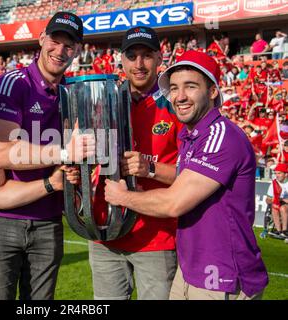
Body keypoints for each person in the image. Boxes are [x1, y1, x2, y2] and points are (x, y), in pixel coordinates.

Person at [104, 50, 269, 300]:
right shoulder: (192, 136)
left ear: (213, 91)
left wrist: (122, 197)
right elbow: (181, 182)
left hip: (221, 274)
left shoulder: (221, 135)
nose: (179, 96)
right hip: (192, 269)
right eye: (174, 88)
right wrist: (147, 170)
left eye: (190, 87)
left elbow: (174, 203)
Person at [0, 11, 92, 300]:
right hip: (2, 220)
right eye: (55, 40)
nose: (60, 50)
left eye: (69, 45)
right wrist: (64, 152)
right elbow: (1, 152)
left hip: (49, 221)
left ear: (78, 50)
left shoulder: (73, 92)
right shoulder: (13, 82)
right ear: (42, 40)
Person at [89, 26, 183, 300]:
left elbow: (193, 176)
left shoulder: (178, 104)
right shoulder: (103, 101)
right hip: (105, 234)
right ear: (121, 59)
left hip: (157, 237)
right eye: (132, 56)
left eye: (147, 55)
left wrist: (148, 167)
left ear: (159, 57)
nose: (139, 64)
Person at [266, 163, 288, 238]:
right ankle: (279, 231)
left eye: (279, 173)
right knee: (275, 207)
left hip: (285, 205)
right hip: (278, 204)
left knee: (283, 208)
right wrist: (272, 200)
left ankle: (285, 231)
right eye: (276, 173)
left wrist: (281, 199)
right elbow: (267, 199)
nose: (277, 175)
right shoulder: (274, 183)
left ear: (286, 174)